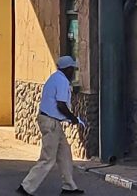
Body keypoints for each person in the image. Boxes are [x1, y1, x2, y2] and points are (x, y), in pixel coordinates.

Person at [17, 56, 84, 196]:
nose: (73, 73)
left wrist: (68, 118)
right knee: (48, 158)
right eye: (72, 69)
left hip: (52, 121)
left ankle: (69, 186)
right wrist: (73, 118)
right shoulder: (62, 81)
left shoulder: (54, 78)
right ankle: (26, 187)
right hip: (51, 122)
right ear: (68, 69)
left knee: (65, 154)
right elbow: (61, 105)